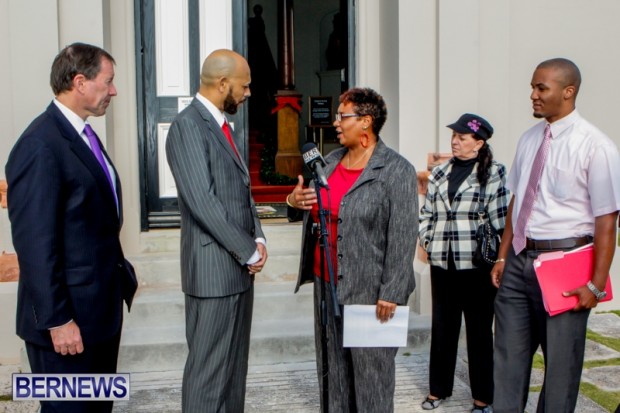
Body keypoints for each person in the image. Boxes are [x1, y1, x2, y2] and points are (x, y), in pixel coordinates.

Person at [5, 42, 137, 413]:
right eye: (108, 82)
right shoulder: (40, 144)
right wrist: (58, 319)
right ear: (80, 82)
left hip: (98, 315)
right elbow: (34, 244)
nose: (113, 91)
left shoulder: (83, 135)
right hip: (66, 325)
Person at [491, 58, 620, 412]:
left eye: (541, 88)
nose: (532, 95)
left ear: (568, 91)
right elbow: (518, 201)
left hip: (565, 269)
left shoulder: (597, 147)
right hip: (518, 264)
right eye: (532, 87)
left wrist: (594, 286)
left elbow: (606, 221)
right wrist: (503, 256)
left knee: (560, 373)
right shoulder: (530, 138)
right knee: (507, 363)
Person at [286, 87, 418, 412]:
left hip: (371, 292)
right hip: (326, 284)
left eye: (342, 116)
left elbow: (403, 234)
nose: (335, 122)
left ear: (366, 123)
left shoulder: (396, 170)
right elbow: (310, 210)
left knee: (372, 378)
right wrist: (293, 202)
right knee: (333, 374)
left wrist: (392, 290)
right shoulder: (328, 163)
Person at [165, 49, 267, 413]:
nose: (248, 92)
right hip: (211, 275)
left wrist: (258, 236)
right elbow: (203, 202)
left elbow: (242, 190)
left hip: (238, 271)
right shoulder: (187, 126)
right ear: (223, 83)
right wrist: (249, 250)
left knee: (233, 374)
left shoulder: (226, 126)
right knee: (207, 378)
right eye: (245, 85)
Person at [418, 114, 509, 412]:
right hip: (443, 264)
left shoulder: (493, 173)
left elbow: (501, 221)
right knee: (443, 328)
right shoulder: (440, 173)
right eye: (453, 136)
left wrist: (501, 259)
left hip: (477, 267)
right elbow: (426, 214)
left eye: (463, 137)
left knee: (480, 332)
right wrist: (429, 241)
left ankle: (483, 397)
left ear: (479, 143)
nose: (456, 141)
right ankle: (438, 389)